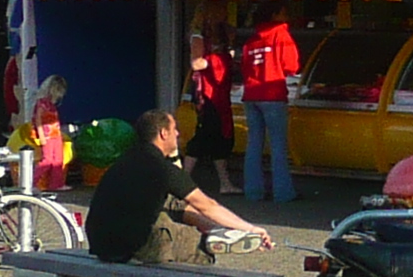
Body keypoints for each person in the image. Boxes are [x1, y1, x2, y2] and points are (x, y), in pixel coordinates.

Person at [85, 109, 277, 265]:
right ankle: (212, 241)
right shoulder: (160, 168)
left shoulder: (124, 161)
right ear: (163, 133)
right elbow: (207, 205)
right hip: (135, 246)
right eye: (174, 129)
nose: (178, 134)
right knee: (201, 251)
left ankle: (217, 230)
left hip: (100, 242)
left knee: (170, 202)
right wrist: (251, 228)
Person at [238, 6, 301, 204]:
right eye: (283, 11)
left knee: (254, 144)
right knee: (277, 146)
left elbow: (244, 68)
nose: (287, 15)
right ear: (274, 14)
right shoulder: (281, 35)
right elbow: (292, 66)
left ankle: (253, 192)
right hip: (273, 95)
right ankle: (283, 193)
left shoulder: (251, 40)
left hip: (251, 95)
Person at [183, 25, 236, 196]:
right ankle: (182, 181)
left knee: (211, 141)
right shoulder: (221, 58)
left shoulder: (217, 58)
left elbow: (197, 63)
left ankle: (224, 182)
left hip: (210, 101)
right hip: (214, 102)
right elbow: (197, 63)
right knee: (207, 141)